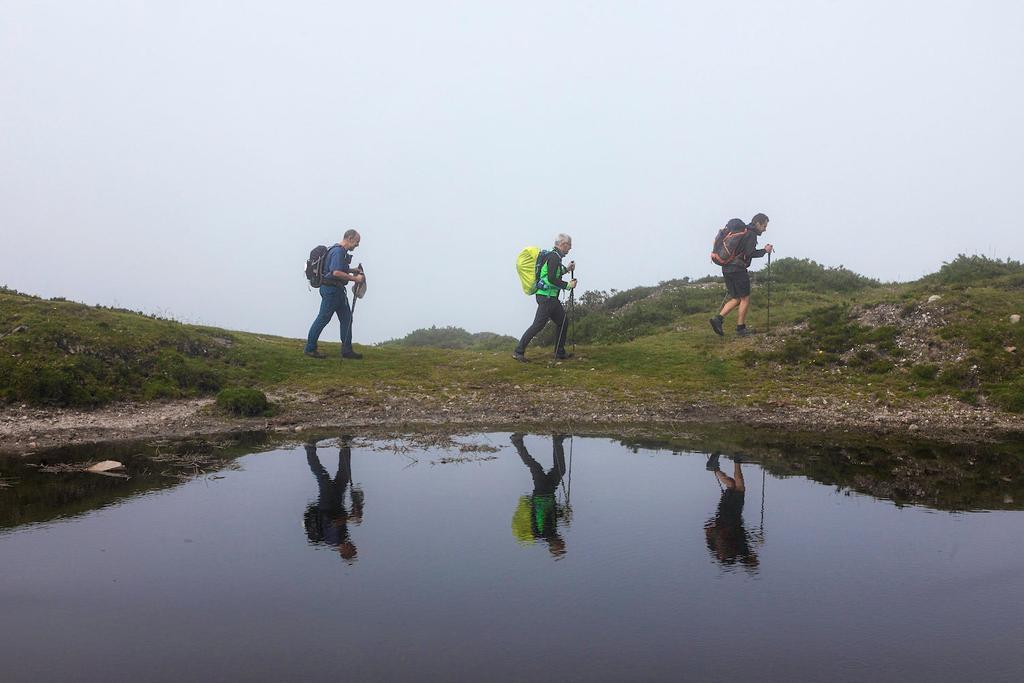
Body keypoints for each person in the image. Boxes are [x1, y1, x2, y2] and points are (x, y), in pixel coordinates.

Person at [513, 233, 578, 361]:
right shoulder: (554, 257)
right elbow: (551, 278)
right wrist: (568, 285)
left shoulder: (553, 256)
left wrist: (566, 269)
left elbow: (551, 273)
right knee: (538, 325)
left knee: (563, 322)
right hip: (547, 297)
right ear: (563, 244)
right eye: (569, 246)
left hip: (549, 297)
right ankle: (518, 351)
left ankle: (559, 352)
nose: (569, 249)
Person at [305, 229, 366, 359]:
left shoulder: (336, 250)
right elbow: (335, 272)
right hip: (331, 290)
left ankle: (347, 350)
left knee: (346, 318)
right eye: (357, 242)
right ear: (349, 238)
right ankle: (310, 348)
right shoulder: (338, 251)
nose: (357, 245)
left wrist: (351, 269)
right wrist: (355, 279)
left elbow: (336, 268)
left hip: (336, 290)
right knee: (323, 318)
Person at [709, 213, 773, 337]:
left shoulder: (741, 231)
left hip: (726, 268)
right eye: (764, 226)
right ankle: (741, 328)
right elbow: (749, 253)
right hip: (738, 269)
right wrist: (765, 251)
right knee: (745, 298)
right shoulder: (751, 234)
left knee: (737, 298)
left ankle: (718, 320)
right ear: (757, 223)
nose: (765, 229)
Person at [303, 437, 364, 563]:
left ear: (345, 551)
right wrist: (355, 508)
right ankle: (344, 445)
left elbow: (333, 523)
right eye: (354, 548)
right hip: (337, 504)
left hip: (327, 505)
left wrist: (351, 518)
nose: (353, 545)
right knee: (344, 475)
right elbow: (340, 521)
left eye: (352, 549)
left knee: (322, 475)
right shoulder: (342, 538)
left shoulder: (333, 540)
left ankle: (309, 447)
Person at [510, 433, 570, 558]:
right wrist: (562, 514)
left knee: (535, 467)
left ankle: (517, 441)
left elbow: (544, 512)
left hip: (542, 493)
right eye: (563, 544)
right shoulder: (550, 532)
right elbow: (551, 512)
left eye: (561, 546)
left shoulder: (546, 532)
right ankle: (557, 440)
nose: (562, 542)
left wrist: (563, 513)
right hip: (548, 492)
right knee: (558, 470)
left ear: (553, 546)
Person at [703, 452, 759, 571]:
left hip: (733, 514)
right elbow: (707, 530)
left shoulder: (739, 550)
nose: (755, 557)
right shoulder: (714, 548)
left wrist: (757, 538)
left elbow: (741, 535)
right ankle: (714, 468)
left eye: (754, 560)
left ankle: (737, 461)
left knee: (740, 488)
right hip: (722, 514)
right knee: (731, 486)